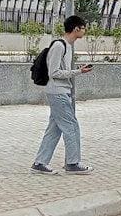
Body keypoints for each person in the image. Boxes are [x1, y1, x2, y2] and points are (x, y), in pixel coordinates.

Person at [30, 15, 94, 175]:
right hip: (58, 91)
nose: (85, 31)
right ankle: (73, 163)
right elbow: (54, 72)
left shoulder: (68, 46)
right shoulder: (59, 46)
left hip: (60, 91)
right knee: (71, 126)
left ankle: (40, 163)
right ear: (76, 29)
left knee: (55, 129)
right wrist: (78, 72)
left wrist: (76, 71)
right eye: (83, 27)